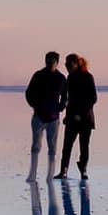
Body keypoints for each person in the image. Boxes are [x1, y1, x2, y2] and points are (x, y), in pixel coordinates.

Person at [24, 50, 68, 182]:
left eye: (52, 61)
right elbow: (28, 92)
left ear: (57, 63)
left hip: (53, 118)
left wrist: (59, 109)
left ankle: (50, 174)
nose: (49, 64)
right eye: (47, 61)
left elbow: (65, 97)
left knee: (52, 147)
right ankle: (32, 173)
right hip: (39, 116)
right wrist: (35, 106)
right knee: (35, 145)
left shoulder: (61, 78)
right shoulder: (38, 75)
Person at [59, 53, 97, 178]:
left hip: (85, 118)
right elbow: (70, 99)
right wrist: (68, 115)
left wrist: (80, 114)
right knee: (67, 146)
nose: (67, 67)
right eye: (66, 65)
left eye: (70, 64)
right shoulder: (70, 78)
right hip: (72, 118)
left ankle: (83, 169)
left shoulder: (88, 77)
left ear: (77, 64)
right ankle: (63, 170)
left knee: (84, 145)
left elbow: (93, 98)